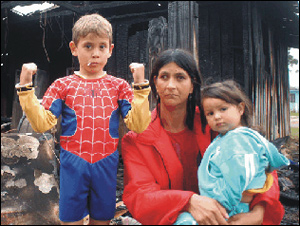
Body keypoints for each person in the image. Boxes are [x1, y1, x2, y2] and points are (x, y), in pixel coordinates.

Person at [121, 49, 286, 225]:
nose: (170, 85)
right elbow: (140, 195)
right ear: (155, 82)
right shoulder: (136, 139)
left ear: (192, 85)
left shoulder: (215, 123)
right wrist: (190, 201)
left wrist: (258, 212)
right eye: (164, 77)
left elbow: (258, 160)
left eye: (180, 77)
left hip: (228, 216)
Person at [15, 14, 151, 225]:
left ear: (110, 49)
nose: (95, 54)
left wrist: (141, 87)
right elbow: (42, 123)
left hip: (106, 162)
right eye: (88, 46)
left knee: (102, 219)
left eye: (101, 47)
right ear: (74, 48)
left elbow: (138, 124)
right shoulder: (62, 85)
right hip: (73, 162)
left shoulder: (120, 86)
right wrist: (26, 89)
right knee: (71, 220)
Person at [174, 80, 290, 225]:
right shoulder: (228, 137)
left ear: (241, 109)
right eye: (210, 113)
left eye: (223, 109)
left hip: (231, 207)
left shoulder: (238, 141)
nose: (216, 116)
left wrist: (221, 204)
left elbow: (238, 177)